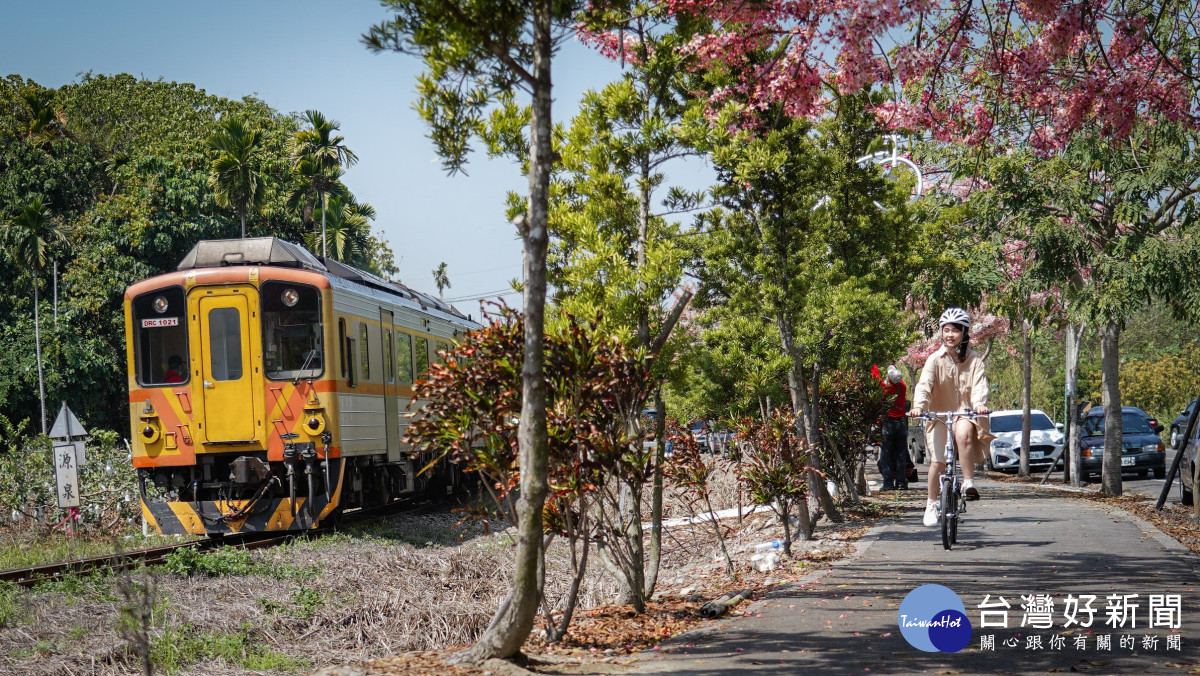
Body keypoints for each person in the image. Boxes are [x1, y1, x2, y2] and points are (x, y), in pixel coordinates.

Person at [909, 307, 991, 527]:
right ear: (941, 333)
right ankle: (932, 502)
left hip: (965, 412)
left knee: (964, 435)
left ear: (964, 333)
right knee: (938, 461)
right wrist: (919, 406)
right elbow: (924, 385)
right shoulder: (934, 360)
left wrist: (980, 404)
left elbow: (979, 386)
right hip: (938, 415)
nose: (950, 335)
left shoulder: (974, 360)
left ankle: (968, 483)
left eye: (955, 330)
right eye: (946, 330)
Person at [873, 364, 908, 490]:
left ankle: (888, 483)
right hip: (901, 424)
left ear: (889, 377)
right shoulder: (903, 386)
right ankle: (901, 482)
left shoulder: (884, 387)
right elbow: (898, 377)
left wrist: (875, 365)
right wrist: (893, 366)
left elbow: (875, 377)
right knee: (900, 454)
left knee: (886, 454)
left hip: (888, 423)